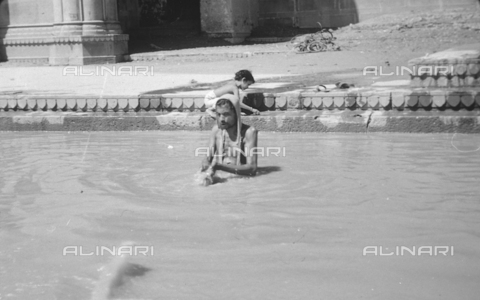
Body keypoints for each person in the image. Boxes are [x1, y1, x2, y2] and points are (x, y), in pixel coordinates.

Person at [201, 94, 258, 180]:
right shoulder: (216, 130)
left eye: (226, 114)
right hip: (220, 176)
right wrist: (206, 164)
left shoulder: (249, 132)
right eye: (218, 114)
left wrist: (220, 167)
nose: (221, 119)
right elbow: (208, 157)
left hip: (240, 180)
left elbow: (252, 169)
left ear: (236, 114)